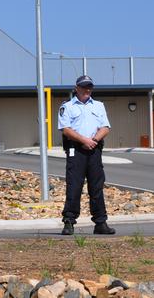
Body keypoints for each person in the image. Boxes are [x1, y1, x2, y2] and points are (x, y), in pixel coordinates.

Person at [58, 75, 115, 236]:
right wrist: (83, 140)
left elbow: (105, 127)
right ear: (76, 88)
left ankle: (100, 223)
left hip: (94, 149)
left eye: (89, 87)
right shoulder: (67, 107)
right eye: (83, 87)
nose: (87, 90)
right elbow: (66, 129)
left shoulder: (98, 105)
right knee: (74, 186)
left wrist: (94, 140)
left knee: (97, 186)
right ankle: (69, 222)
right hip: (75, 150)